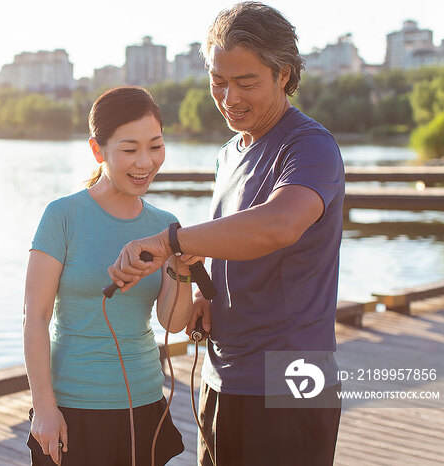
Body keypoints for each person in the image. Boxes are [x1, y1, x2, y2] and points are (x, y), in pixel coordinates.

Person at [107, 3, 345, 465]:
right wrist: (210, 298)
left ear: (284, 73)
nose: (228, 96)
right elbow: (236, 243)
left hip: (289, 384)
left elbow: (279, 224)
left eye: (246, 82)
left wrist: (172, 241)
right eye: (218, 81)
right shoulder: (228, 154)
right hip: (221, 379)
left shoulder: (310, 145)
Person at [23, 86, 198, 466]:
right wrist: (44, 407)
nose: (145, 162)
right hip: (71, 407)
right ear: (98, 151)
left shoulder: (165, 226)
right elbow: (34, 317)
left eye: (155, 146)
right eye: (129, 149)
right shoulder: (62, 216)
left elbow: (172, 320)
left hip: (145, 401)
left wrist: (182, 271)